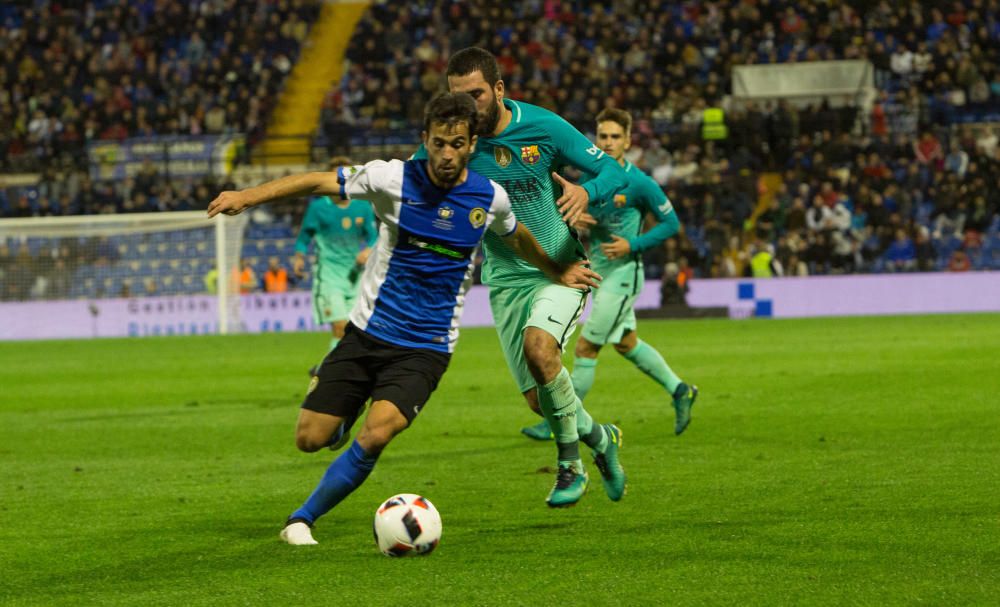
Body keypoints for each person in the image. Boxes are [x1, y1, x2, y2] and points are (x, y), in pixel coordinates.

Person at [207, 93, 600, 545]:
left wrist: (558, 269)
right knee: (309, 439)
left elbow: (519, 237)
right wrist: (246, 197)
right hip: (368, 333)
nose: (447, 154)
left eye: (457, 143)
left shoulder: (489, 197)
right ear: (424, 141)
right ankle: (339, 417)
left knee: (379, 431)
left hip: (425, 348)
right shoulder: (391, 177)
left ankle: (301, 519)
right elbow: (317, 181)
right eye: (438, 143)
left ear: (472, 144)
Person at [415, 47, 630, 507]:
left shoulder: (543, 127)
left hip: (563, 270)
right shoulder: (453, 142)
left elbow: (611, 169)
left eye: (475, 95)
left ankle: (569, 466)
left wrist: (585, 191)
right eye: (457, 97)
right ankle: (601, 440)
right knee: (541, 400)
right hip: (505, 280)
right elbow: (413, 185)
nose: (466, 108)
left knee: (539, 348)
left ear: (498, 89)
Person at [521, 108, 697, 441]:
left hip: (623, 276)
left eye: (616, 136)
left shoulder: (640, 182)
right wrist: (577, 219)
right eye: (603, 136)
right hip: (600, 274)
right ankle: (680, 390)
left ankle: (559, 420)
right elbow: (570, 217)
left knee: (586, 348)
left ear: (628, 141)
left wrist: (634, 244)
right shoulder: (589, 182)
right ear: (595, 139)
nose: (609, 142)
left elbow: (672, 223)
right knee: (626, 343)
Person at [292, 157, 377, 374]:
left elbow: (374, 236)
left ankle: (326, 370)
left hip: (356, 276)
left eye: (343, 178)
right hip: (329, 275)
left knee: (353, 330)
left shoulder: (362, 206)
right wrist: (299, 257)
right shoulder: (318, 208)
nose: (338, 183)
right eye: (333, 178)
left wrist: (367, 250)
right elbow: (304, 237)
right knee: (339, 327)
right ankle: (328, 373)